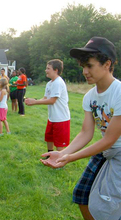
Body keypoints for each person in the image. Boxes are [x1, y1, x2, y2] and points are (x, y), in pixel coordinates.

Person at [41, 37, 121, 220]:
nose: (84, 71)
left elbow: (109, 139)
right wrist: (62, 154)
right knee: (81, 195)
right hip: (106, 151)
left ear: (107, 64)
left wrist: (70, 157)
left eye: (90, 66)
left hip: (118, 153)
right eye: (83, 66)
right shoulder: (89, 97)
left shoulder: (119, 93)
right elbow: (86, 133)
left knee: (111, 207)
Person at [25, 59, 70, 153]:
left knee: (59, 142)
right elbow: (45, 98)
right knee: (49, 137)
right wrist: (33, 101)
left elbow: (52, 100)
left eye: (48, 68)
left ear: (56, 70)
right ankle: (50, 156)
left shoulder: (58, 82)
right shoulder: (49, 83)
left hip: (61, 118)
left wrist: (35, 102)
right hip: (52, 118)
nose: (46, 70)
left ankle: (59, 161)